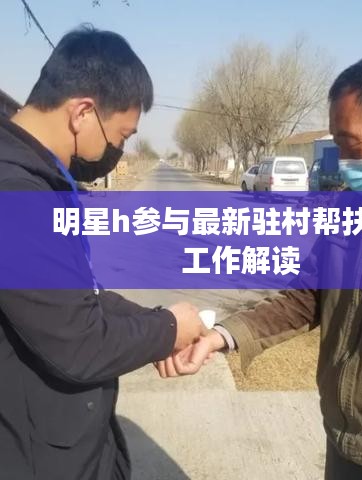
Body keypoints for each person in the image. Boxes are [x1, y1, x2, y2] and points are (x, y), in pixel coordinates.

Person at [158, 56, 362, 480]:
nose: (343, 162)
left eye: (352, 146)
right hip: (343, 445)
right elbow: (307, 295)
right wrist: (222, 336)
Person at [0, 26, 207, 480]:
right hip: (36, 459)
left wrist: (157, 326)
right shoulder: (15, 194)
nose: (119, 150)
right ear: (83, 112)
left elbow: (77, 296)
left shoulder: (39, 180)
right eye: (121, 135)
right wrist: (170, 329)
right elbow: (80, 343)